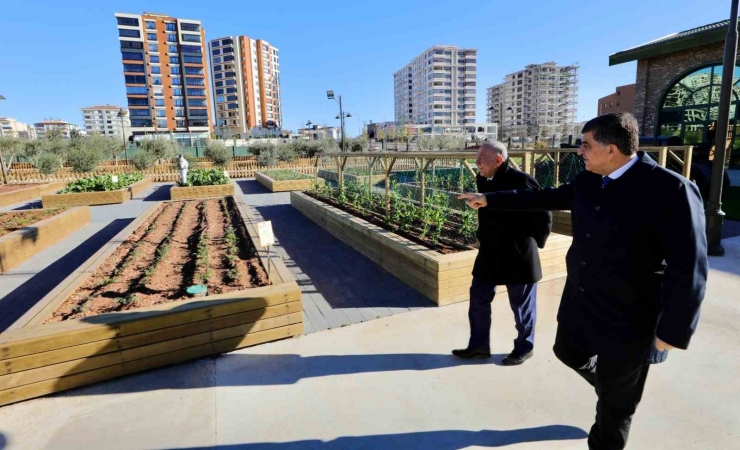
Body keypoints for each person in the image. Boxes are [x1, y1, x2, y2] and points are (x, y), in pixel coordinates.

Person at [459, 113, 708, 450]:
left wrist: (674, 330)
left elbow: (690, 264)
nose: (579, 151)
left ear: (611, 149)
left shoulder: (670, 189)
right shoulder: (590, 180)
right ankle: (607, 385)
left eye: (586, 145)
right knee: (567, 351)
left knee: (614, 413)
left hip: (631, 317)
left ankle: (610, 408)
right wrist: (491, 199)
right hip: (582, 301)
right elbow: (544, 197)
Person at [452, 142, 552, 366]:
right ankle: (478, 346)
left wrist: (534, 243)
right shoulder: (483, 179)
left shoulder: (522, 180)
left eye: (482, 158)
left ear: (498, 160)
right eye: (476, 157)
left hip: (517, 254)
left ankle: (525, 347)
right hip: (490, 252)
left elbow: (543, 213)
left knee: (522, 306)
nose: (477, 162)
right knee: (478, 297)